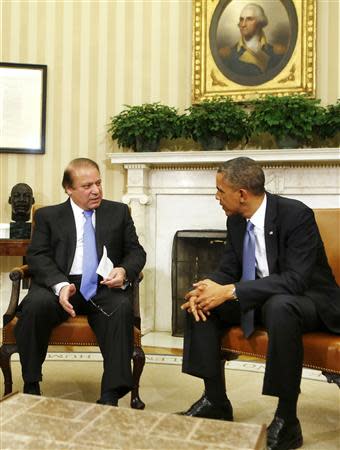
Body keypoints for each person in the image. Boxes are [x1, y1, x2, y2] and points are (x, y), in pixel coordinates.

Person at [180, 157, 340, 450]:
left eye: (219, 190)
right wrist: (206, 287)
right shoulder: (236, 220)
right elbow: (229, 268)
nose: (216, 197)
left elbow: (295, 280)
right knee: (201, 304)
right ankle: (215, 399)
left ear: (241, 193)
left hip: (310, 300)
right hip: (263, 297)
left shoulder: (296, 215)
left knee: (281, 307)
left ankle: (287, 418)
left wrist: (230, 292)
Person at [14, 157, 146, 406]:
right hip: (61, 285)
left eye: (98, 183)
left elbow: (136, 252)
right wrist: (60, 285)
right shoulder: (48, 216)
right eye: (87, 186)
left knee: (120, 308)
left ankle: (110, 394)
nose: (96, 190)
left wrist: (124, 270)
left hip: (102, 285)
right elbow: (37, 256)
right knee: (34, 305)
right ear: (69, 188)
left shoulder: (118, 212)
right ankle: (31, 382)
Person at [218, 3, 286, 77]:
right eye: (241, 20)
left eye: (249, 19)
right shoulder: (227, 56)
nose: (243, 24)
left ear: (260, 22)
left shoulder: (277, 53)